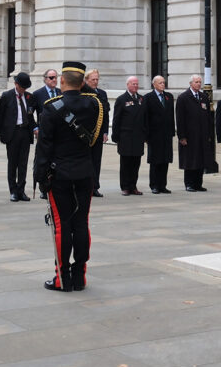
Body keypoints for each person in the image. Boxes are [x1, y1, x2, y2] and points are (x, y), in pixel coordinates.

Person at [33, 60, 102, 292]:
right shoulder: (93, 105)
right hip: (84, 172)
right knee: (81, 223)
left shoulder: (52, 107)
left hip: (59, 174)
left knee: (62, 225)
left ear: (62, 81)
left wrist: (40, 176)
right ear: (83, 82)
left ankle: (62, 278)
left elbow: (44, 146)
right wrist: (83, 87)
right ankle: (80, 276)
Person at [0, 71, 36, 201]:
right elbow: (1, 116)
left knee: (23, 163)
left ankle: (21, 190)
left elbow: (30, 116)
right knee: (12, 163)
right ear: (15, 84)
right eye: (21, 87)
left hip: (25, 132)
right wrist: (3, 134)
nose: (23, 90)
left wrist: (35, 128)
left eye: (25, 88)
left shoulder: (29, 97)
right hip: (13, 133)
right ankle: (13, 190)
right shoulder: (7, 96)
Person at [112, 76, 149, 195]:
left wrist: (145, 135)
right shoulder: (121, 99)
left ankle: (133, 186)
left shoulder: (142, 99)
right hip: (126, 136)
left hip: (138, 137)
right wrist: (116, 136)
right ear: (127, 85)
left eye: (137, 84)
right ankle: (125, 186)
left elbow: (145, 119)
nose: (135, 86)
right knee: (126, 163)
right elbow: (116, 119)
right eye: (133, 84)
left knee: (136, 163)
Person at [176, 74, 213, 192]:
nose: (198, 84)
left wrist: (209, 134)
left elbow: (208, 117)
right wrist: (182, 136)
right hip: (189, 136)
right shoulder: (183, 98)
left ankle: (198, 183)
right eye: (196, 82)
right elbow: (180, 119)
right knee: (190, 160)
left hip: (202, 135)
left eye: (199, 82)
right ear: (191, 83)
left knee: (201, 160)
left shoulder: (203, 97)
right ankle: (189, 184)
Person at [143, 75, 175, 194]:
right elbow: (145, 117)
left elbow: (171, 115)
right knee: (155, 161)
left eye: (163, 82)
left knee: (165, 160)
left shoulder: (168, 97)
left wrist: (172, 131)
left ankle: (163, 185)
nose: (163, 84)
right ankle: (154, 185)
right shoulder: (148, 98)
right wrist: (146, 135)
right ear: (154, 84)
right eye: (160, 83)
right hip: (154, 134)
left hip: (166, 134)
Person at [85, 68, 110, 197]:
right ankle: (85, 186)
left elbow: (105, 115)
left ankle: (95, 186)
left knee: (96, 160)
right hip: (85, 134)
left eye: (97, 79)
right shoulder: (82, 93)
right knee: (86, 160)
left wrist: (105, 131)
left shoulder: (102, 94)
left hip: (99, 132)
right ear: (86, 80)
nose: (95, 82)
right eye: (92, 80)